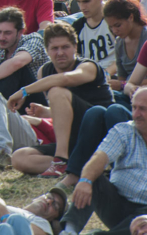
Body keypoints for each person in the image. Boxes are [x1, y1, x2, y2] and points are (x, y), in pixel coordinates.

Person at [61, 88, 147, 235]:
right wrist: (85, 180)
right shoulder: (123, 131)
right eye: (134, 107)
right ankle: (69, 231)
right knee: (92, 178)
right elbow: (100, 156)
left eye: (142, 109)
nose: (136, 114)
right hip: (117, 203)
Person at [7, 21, 114, 178]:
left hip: (98, 131)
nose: (60, 53)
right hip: (73, 141)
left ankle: (61, 161)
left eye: (65, 47)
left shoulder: (88, 66)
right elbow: (66, 111)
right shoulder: (44, 71)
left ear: (75, 47)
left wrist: (24, 91)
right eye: (55, 48)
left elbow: (65, 80)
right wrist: (47, 112)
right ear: (47, 51)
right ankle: (82, 164)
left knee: (56, 91)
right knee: (19, 158)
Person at [102, 0, 147, 96]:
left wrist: (123, 85)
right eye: (111, 27)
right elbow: (121, 78)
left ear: (131, 17)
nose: (114, 31)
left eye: (118, 25)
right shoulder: (119, 43)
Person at [71, 0, 116, 70]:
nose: (82, 7)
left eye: (86, 1)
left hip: (113, 76)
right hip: (87, 76)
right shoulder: (77, 27)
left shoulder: (116, 20)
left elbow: (126, 57)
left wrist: (104, 75)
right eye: (78, 2)